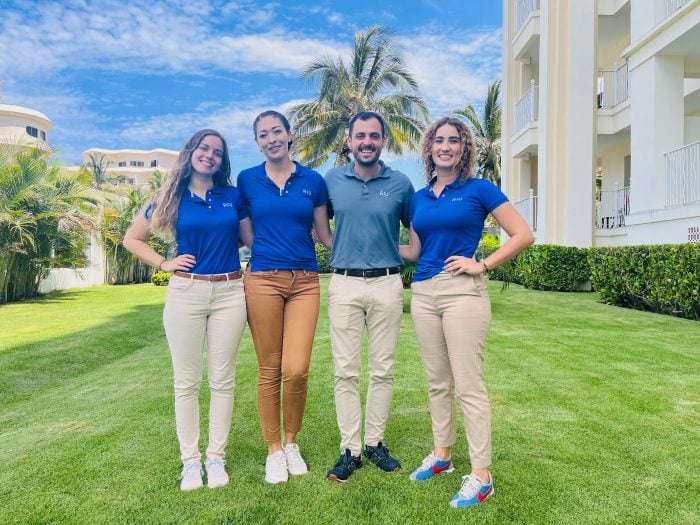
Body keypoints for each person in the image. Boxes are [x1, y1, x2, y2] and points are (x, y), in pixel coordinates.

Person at [400, 117, 534, 508]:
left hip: (463, 293)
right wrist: (366, 244)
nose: (445, 146)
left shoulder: (479, 189)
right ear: (429, 148)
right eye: (438, 140)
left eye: (453, 141)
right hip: (423, 292)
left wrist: (483, 264)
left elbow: (523, 234)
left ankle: (481, 475)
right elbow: (414, 250)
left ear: (464, 148)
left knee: (468, 384)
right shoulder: (420, 198)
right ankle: (442, 456)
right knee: (437, 382)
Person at [123, 129, 252, 491]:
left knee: (223, 380)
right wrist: (164, 262)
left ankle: (216, 457)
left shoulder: (232, 196)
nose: (209, 155)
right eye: (203, 148)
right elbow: (132, 238)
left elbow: (251, 238)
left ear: (222, 160)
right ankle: (191, 462)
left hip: (230, 292)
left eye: (216, 151)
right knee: (187, 382)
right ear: (191, 151)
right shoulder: (170, 196)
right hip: (186, 293)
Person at [237, 110, 333, 484]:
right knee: (270, 368)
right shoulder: (247, 180)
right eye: (263, 134)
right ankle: (274, 449)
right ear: (258, 142)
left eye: (277, 131)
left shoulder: (313, 181)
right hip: (262, 279)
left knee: (297, 368)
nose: (271, 138)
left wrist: (369, 252)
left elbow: (325, 235)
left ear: (290, 135)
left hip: (305, 282)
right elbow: (245, 233)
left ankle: (292, 442)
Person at [324, 111, 415, 482]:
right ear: (349, 140)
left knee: (383, 369)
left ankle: (375, 442)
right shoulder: (331, 180)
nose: (366, 141)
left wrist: (396, 253)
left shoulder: (400, 183)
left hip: (387, 284)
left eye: (373, 136)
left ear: (383, 141)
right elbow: (320, 228)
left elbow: (415, 232)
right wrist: (342, 250)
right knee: (345, 371)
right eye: (359, 135)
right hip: (344, 283)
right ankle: (351, 449)